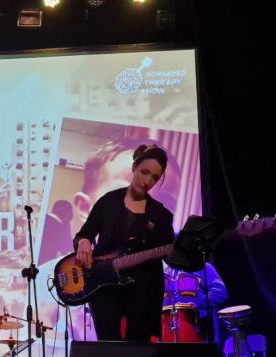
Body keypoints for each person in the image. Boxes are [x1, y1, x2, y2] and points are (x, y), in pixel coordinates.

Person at [73, 144, 175, 342]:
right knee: (108, 346)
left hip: (143, 290)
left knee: (137, 350)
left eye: (154, 177)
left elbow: (170, 256)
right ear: (134, 167)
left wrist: (186, 250)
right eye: (144, 172)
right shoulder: (108, 202)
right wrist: (84, 241)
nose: (147, 181)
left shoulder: (161, 215)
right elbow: (84, 234)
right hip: (104, 283)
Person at [163, 261, 229, 343]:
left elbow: (220, 293)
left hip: (197, 328)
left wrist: (197, 303)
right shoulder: (162, 270)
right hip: (167, 332)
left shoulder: (201, 265)